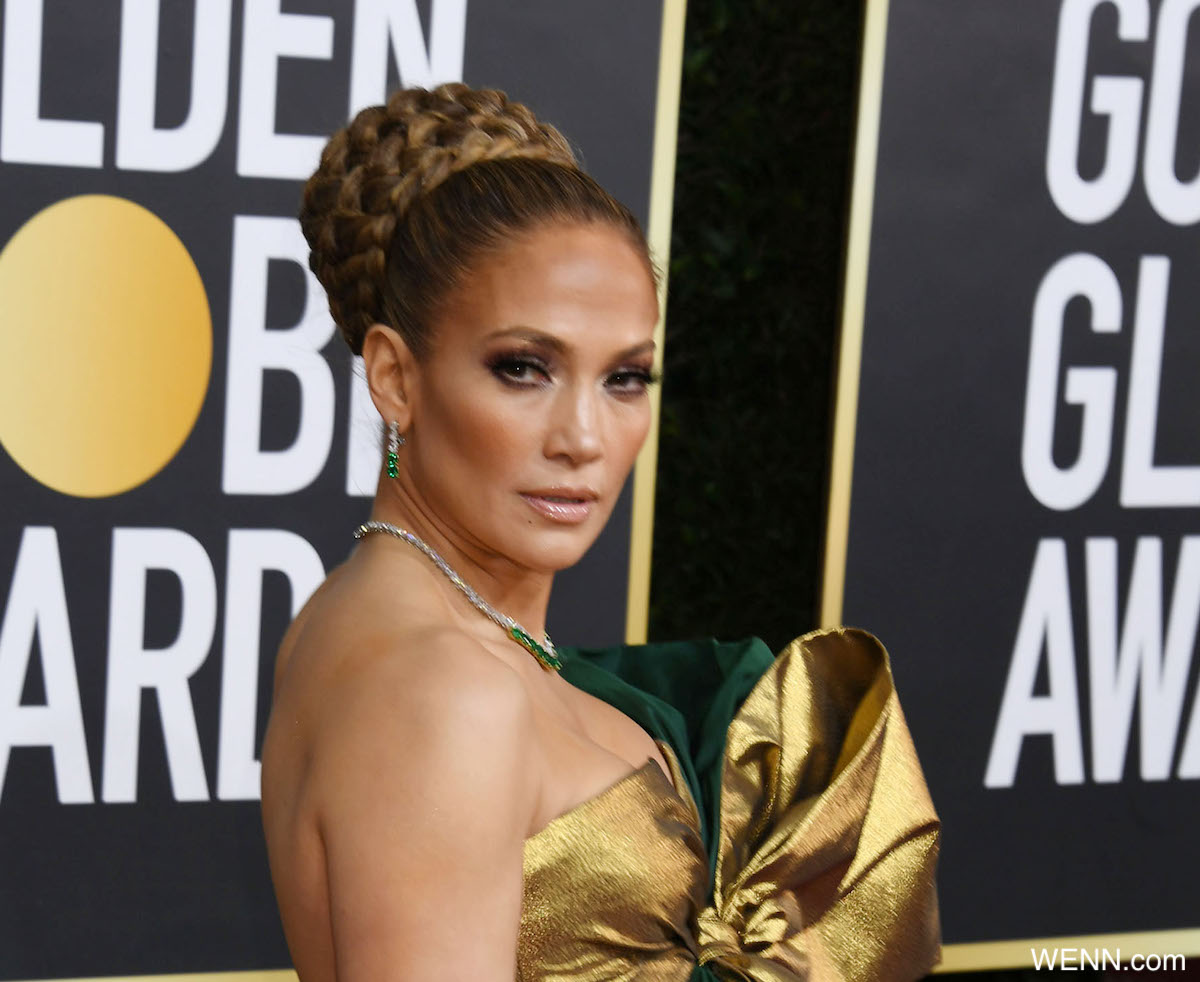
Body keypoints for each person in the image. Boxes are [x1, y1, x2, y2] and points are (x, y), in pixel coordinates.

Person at [260, 82, 941, 982]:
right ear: (394, 376)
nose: (582, 439)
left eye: (625, 379)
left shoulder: (395, 624)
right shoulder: (447, 691)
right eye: (523, 369)